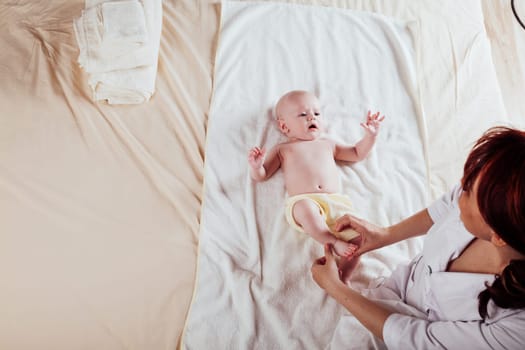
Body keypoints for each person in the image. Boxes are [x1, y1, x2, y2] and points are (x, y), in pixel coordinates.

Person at [311, 126, 525, 349]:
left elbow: (420, 339)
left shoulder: (517, 327)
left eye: (469, 192)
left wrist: (336, 288)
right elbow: (445, 206)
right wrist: (384, 235)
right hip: (403, 289)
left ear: (499, 236)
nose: (461, 187)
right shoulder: (493, 200)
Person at [248, 90, 384, 265]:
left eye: (317, 114)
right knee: (304, 209)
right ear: (284, 127)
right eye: (303, 114)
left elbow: (357, 153)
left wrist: (371, 136)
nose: (312, 117)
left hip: (335, 203)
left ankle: (345, 276)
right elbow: (262, 175)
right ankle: (332, 241)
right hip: (305, 201)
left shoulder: (328, 144)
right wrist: (257, 166)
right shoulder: (284, 149)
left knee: (359, 238)